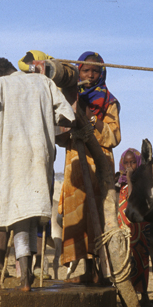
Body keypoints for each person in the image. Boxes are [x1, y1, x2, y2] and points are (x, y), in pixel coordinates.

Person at [0, 57, 75, 290]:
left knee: (19, 215)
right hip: (41, 156)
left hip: (15, 158)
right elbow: (66, 112)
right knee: (33, 216)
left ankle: (25, 279)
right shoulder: (43, 82)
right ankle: (28, 273)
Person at [59, 51, 121, 284]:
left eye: (95, 71)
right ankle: (87, 269)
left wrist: (90, 117)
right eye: (85, 70)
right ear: (78, 72)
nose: (91, 75)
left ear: (102, 73)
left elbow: (113, 136)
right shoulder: (71, 99)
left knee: (100, 215)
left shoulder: (109, 101)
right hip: (75, 162)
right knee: (79, 215)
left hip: (99, 163)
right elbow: (61, 134)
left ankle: (102, 273)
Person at [116, 148, 151, 305]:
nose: (129, 166)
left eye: (132, 162)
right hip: (124, 228)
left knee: (140, 260)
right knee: (125, 260)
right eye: (126, 163)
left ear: (138, 163)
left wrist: (130, 179)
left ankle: (144, 294)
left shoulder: (141, 183)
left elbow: (131, 199)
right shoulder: (120, 183)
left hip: (139, 229)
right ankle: (127, 294)